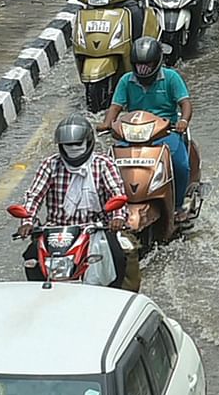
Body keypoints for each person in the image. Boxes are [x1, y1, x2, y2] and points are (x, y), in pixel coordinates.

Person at [19, 117, 128, 284]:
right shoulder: (50, 165)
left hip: (95, 230)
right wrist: (27, 221)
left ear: (89, 142)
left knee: (118, 257)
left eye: (78, 144)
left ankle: (118, 297)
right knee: (31, 260)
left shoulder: (103, 164)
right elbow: (34, 195)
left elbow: (116, 192)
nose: (73, 149)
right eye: (68, 145)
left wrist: (118, 218)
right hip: (56, 232)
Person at [103, 38, 192, 212]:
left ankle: (178, 206)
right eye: (138, 65)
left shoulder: (171, 77)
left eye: (147, 64)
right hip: (132, 133)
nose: (142, 69)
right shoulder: (126, 80)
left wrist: (183, 121)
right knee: (111, 165)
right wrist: (107, 123)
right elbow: (115, 107)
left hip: (166, 132)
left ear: (157, 62)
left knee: (180, 165)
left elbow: (185, 103)